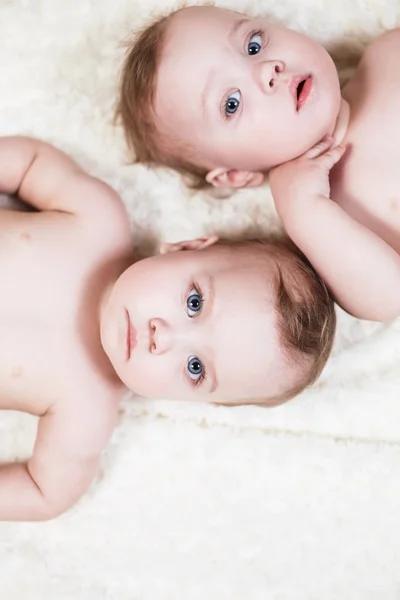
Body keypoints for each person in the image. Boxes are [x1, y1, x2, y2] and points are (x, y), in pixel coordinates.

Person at [0, 136, 335, 521]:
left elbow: (45, 493)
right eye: (194, 303)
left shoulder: (86, 411)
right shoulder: (97, 220)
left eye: (195, 367)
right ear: (188, 248)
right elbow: (30, 163)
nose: (164, 337)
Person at [117, 5, 400, 321]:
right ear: (237, 174)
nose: (267, 70)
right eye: (232, 104)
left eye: (253, 45)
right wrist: (306, 210)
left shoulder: (386, 53)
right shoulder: (326, 222)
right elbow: (389, 299)